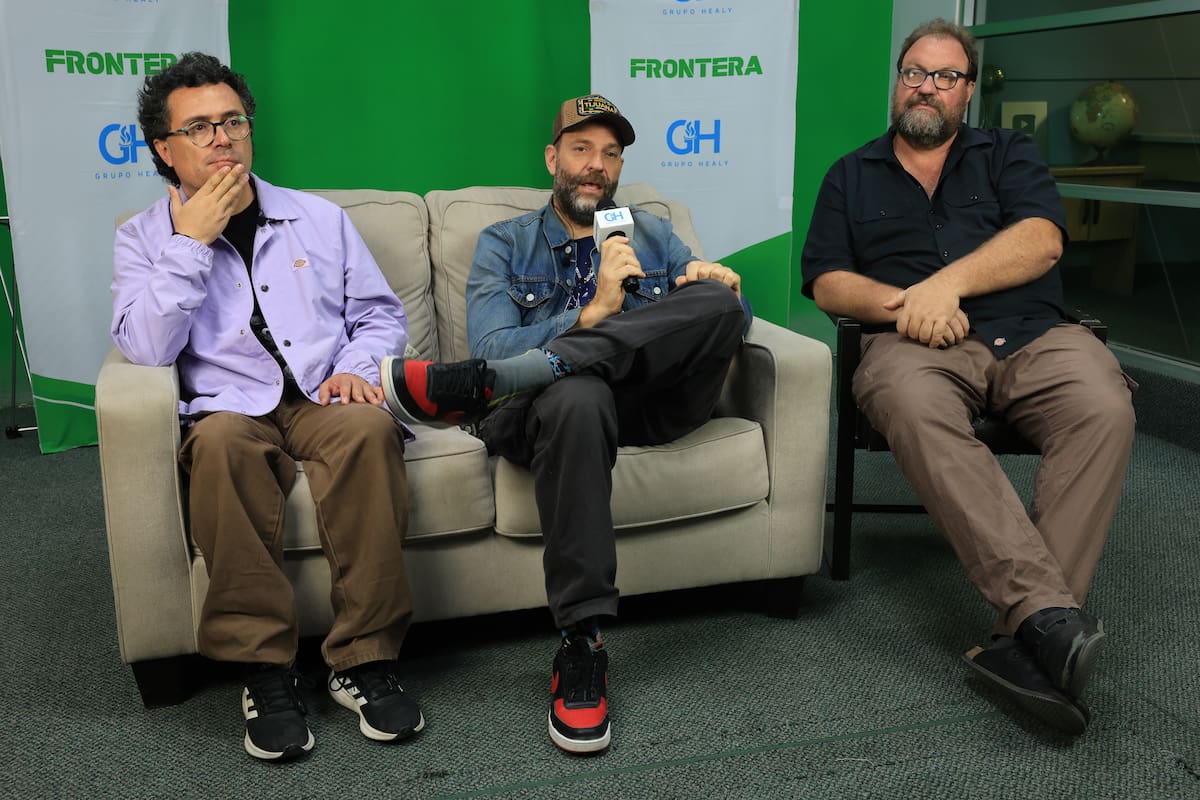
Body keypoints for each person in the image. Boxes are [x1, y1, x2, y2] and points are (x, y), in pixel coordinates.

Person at [379, 94, 751, 754]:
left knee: (722, 304)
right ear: (553, 159)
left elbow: (722, 326)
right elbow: (493, 344)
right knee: (577, 392)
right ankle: (582, 642)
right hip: (554, 413)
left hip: (653, 403)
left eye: (611, 154)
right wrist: (591, 313)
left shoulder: (649, 232)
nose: (596, 165)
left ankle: (513, 377)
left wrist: (706, 279)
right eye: (582, 149)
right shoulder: (506, 242)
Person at [801, 19, 1136, 735]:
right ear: (897, 82)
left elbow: (1041, 240)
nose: (926, 87)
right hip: (913, 346)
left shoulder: (1008, 153)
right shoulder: (850, 174)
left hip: (1032, 332)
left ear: (968, 91)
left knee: (1104, 404)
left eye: (945, 76)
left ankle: (1026, 634)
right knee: (909, 402)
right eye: (914, 73)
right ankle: (1048, 622)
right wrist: (911, 305)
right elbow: (827, 281)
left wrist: (945, 285)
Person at [111, 53, 423, 761]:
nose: (222, 138)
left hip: (319, 393)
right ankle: (264, 670)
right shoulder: (142, 238)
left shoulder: (318, 218)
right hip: (229, 407)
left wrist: (353, 370)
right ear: (165, 149)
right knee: (220, 448)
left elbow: (378, 314)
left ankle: (364, 659)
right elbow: (148, 347)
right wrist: (191, 241)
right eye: (199, 127)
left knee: (369, 430)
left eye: (233, 121)